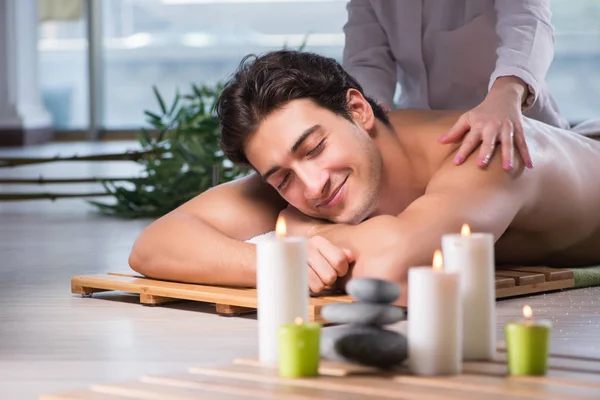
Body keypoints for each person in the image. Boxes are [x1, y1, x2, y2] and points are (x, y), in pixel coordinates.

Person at [128, 51, 600, 307]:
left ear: (358, 109)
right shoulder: (304, 170)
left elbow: (386, 268)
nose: (312, 186)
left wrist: (299, 231)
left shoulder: (484, 152)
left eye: (314, 148)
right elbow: (154, 245)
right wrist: (278, 261)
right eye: (281, 180)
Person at [342, 0, 570, 171]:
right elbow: (366, 60)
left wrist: (506, 92)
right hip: (425, 142)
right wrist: (371, 117)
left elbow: (528, 20)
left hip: (513, 125)